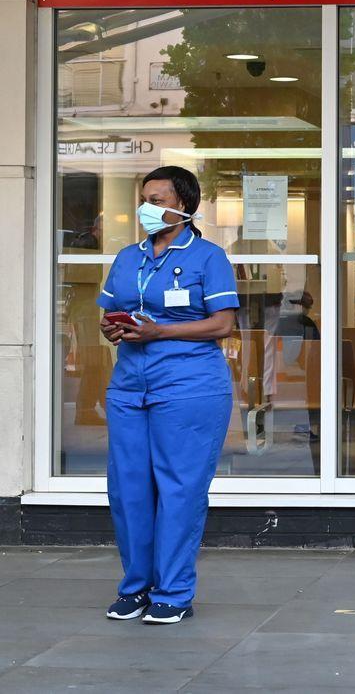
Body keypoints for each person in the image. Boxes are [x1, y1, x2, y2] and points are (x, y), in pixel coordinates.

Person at [96, 166, 240, 625]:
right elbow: (109, 311)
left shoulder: (208, 257)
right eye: (144, 198)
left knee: (179, 488)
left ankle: (174, 591)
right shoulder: (126, 257)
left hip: (189, 386)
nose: (147, 208)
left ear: (183, 206)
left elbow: (223, 324)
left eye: (157, 199)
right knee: (128, 489)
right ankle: (135, 587)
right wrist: (113, 326)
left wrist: (161, 331)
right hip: (129, 387)